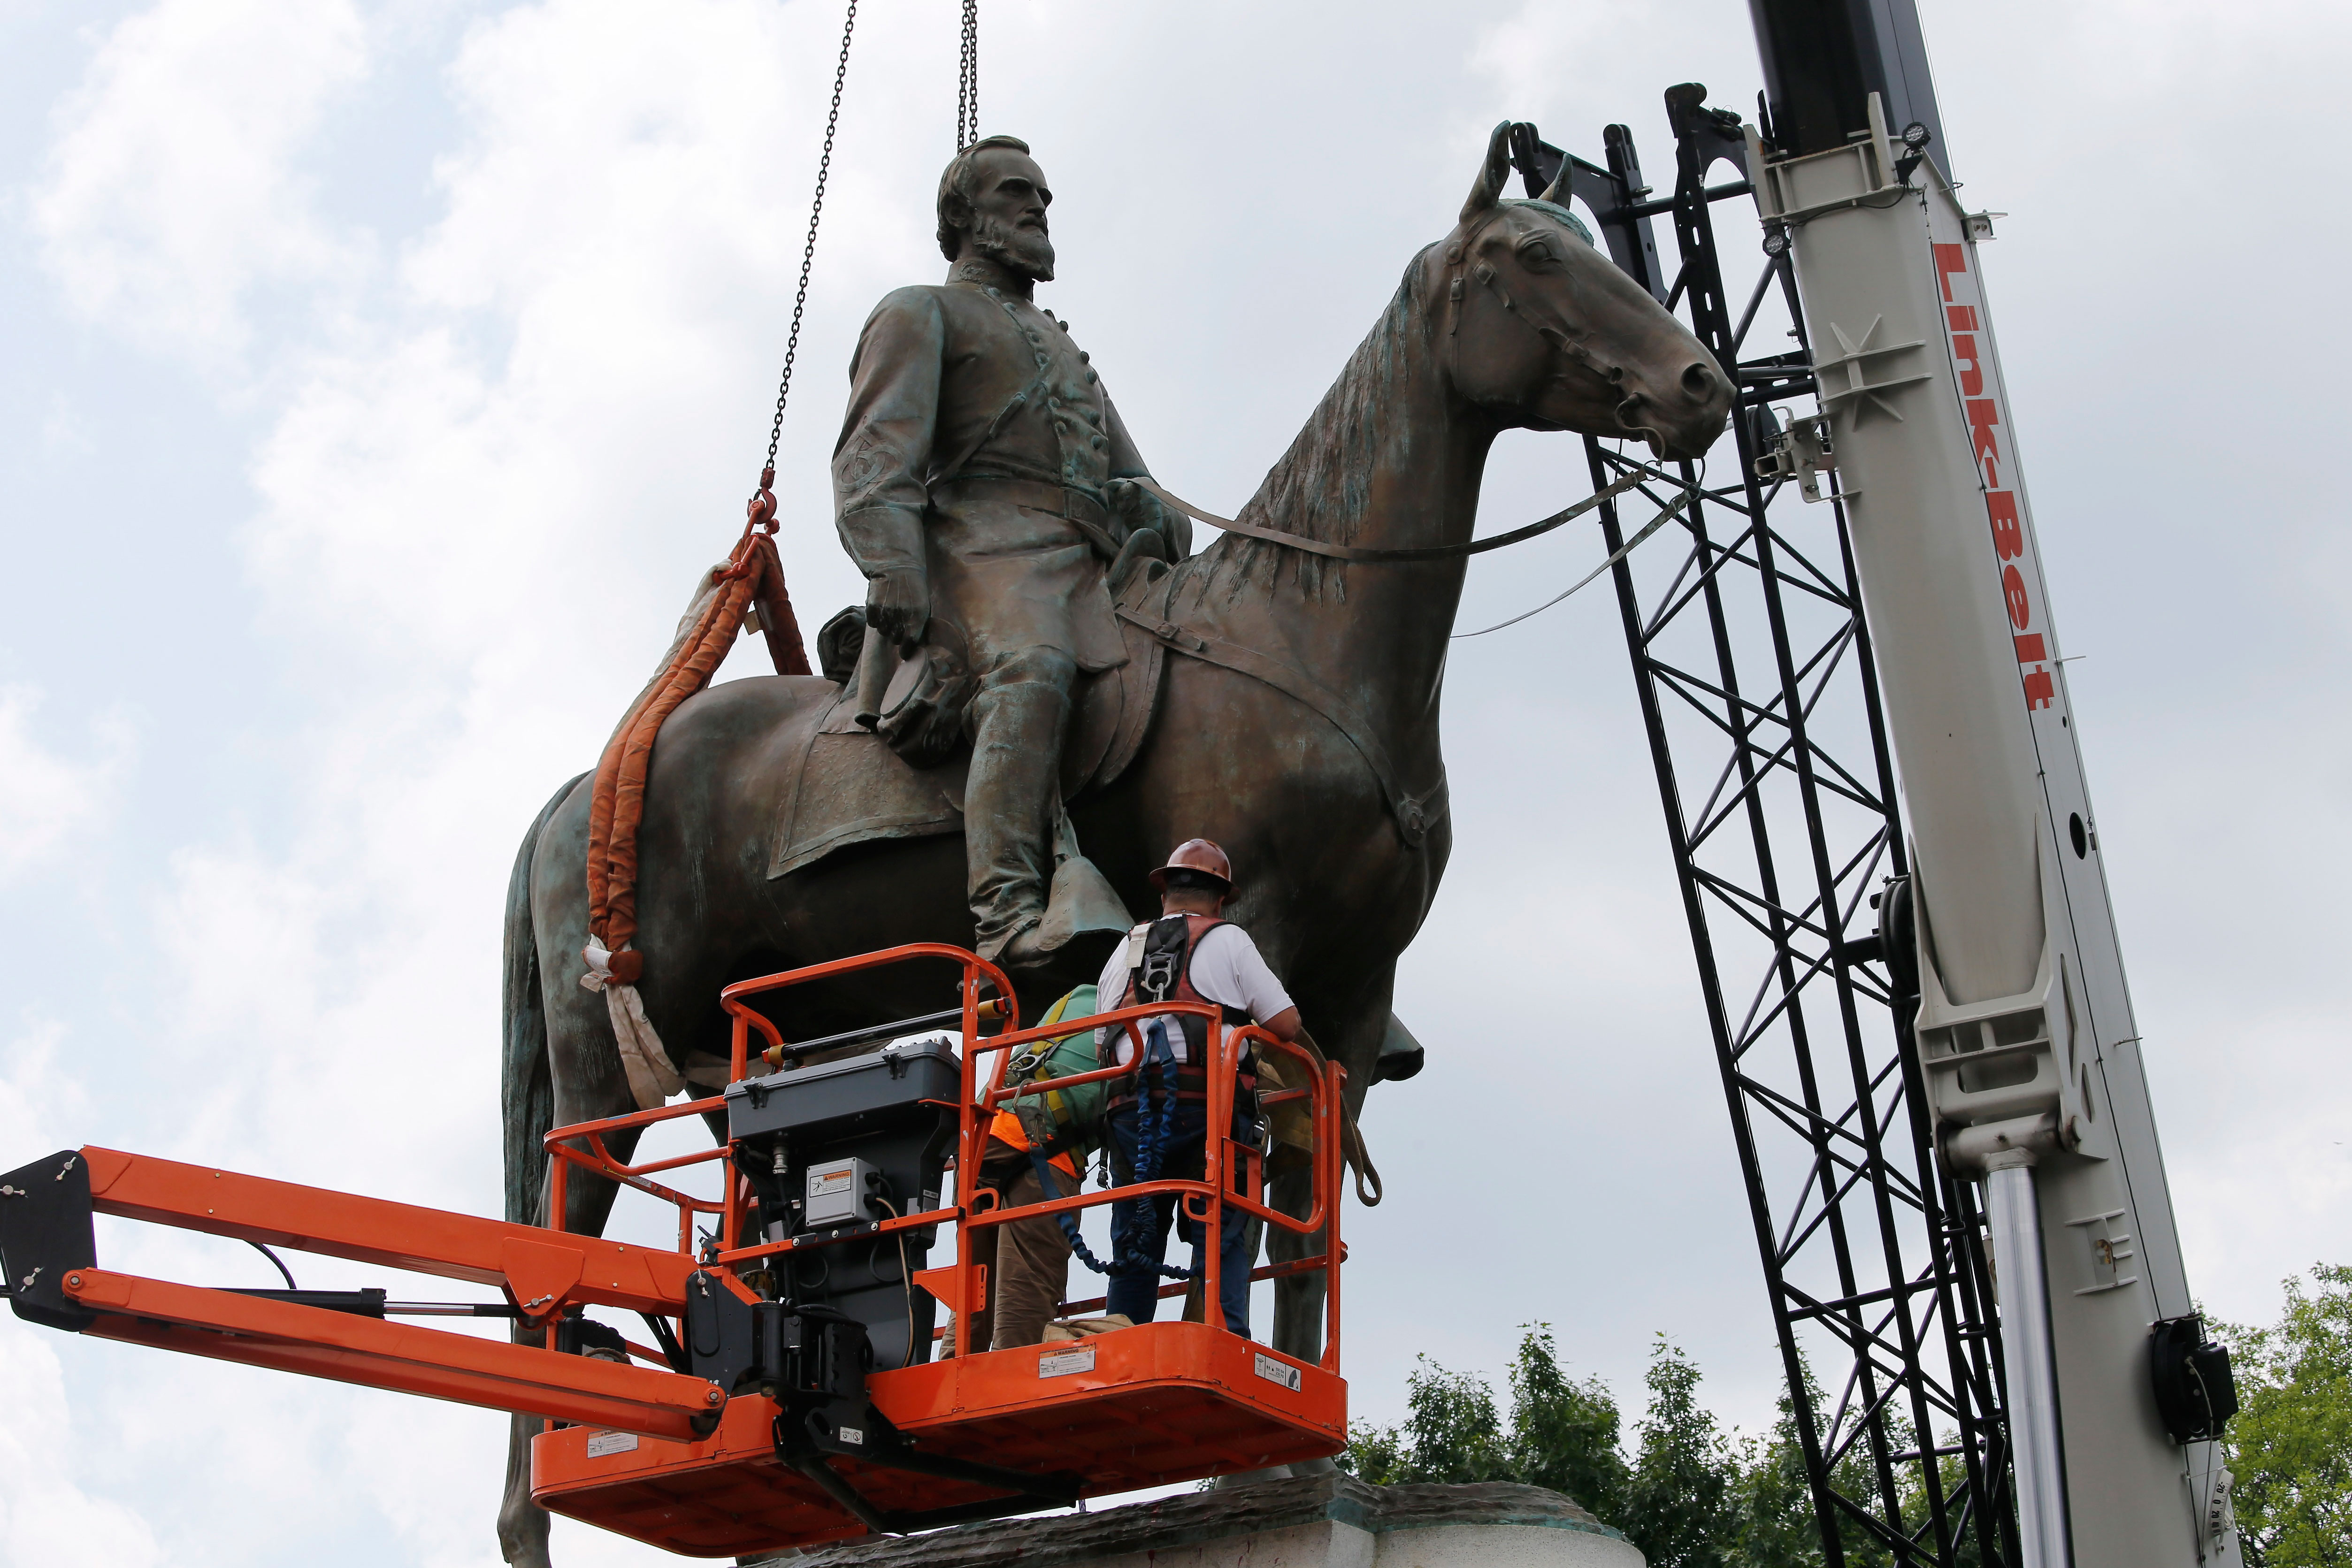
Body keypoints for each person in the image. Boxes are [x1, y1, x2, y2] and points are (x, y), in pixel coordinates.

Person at [832, 135, 1188, 973]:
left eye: (1043, 195)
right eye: (1015, 192)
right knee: (1032, 667)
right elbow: (874, 456)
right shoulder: (919, 312)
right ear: (964, 217)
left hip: (1088, 557)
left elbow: (1134, 477)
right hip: (978, 550)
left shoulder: (1065, 348)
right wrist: (894, 564)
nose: (1039, 206)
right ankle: (1006, 913)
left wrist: (1155, 510)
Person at [1095, 839, 1302, 1338]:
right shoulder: (1229, 939)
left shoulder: (1123, 949)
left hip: (1130, 1113)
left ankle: (1124, 1338)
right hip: (1208, 1111)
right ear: (1220, 899)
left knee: (1137, 1236)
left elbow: (1103, 1042)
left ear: (1164, 893)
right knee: (1221, 1228)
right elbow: (1287, 1023)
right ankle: (1224, 1335)